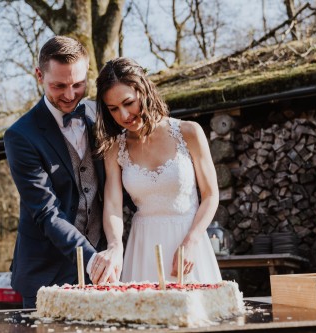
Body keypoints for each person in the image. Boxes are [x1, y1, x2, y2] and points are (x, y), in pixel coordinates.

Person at [90, 57, 222, 284]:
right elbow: (112, 204)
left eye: (128, 102)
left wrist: (191, 242)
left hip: (188, 243)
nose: (123, 116)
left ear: (144, 90)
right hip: (143, 245)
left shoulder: (189, 132)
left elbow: (211, 195)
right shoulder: (114, 148)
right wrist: (114, 246)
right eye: (113, 109)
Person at [4, 36, 108, 309]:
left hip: (104, 271)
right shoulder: (20, 136)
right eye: (59, 85)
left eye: (78, 84)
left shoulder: (102, 117)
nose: (70, 94)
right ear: (40, 75)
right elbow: (46, 213)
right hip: (45, 274)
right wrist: (91, 258)